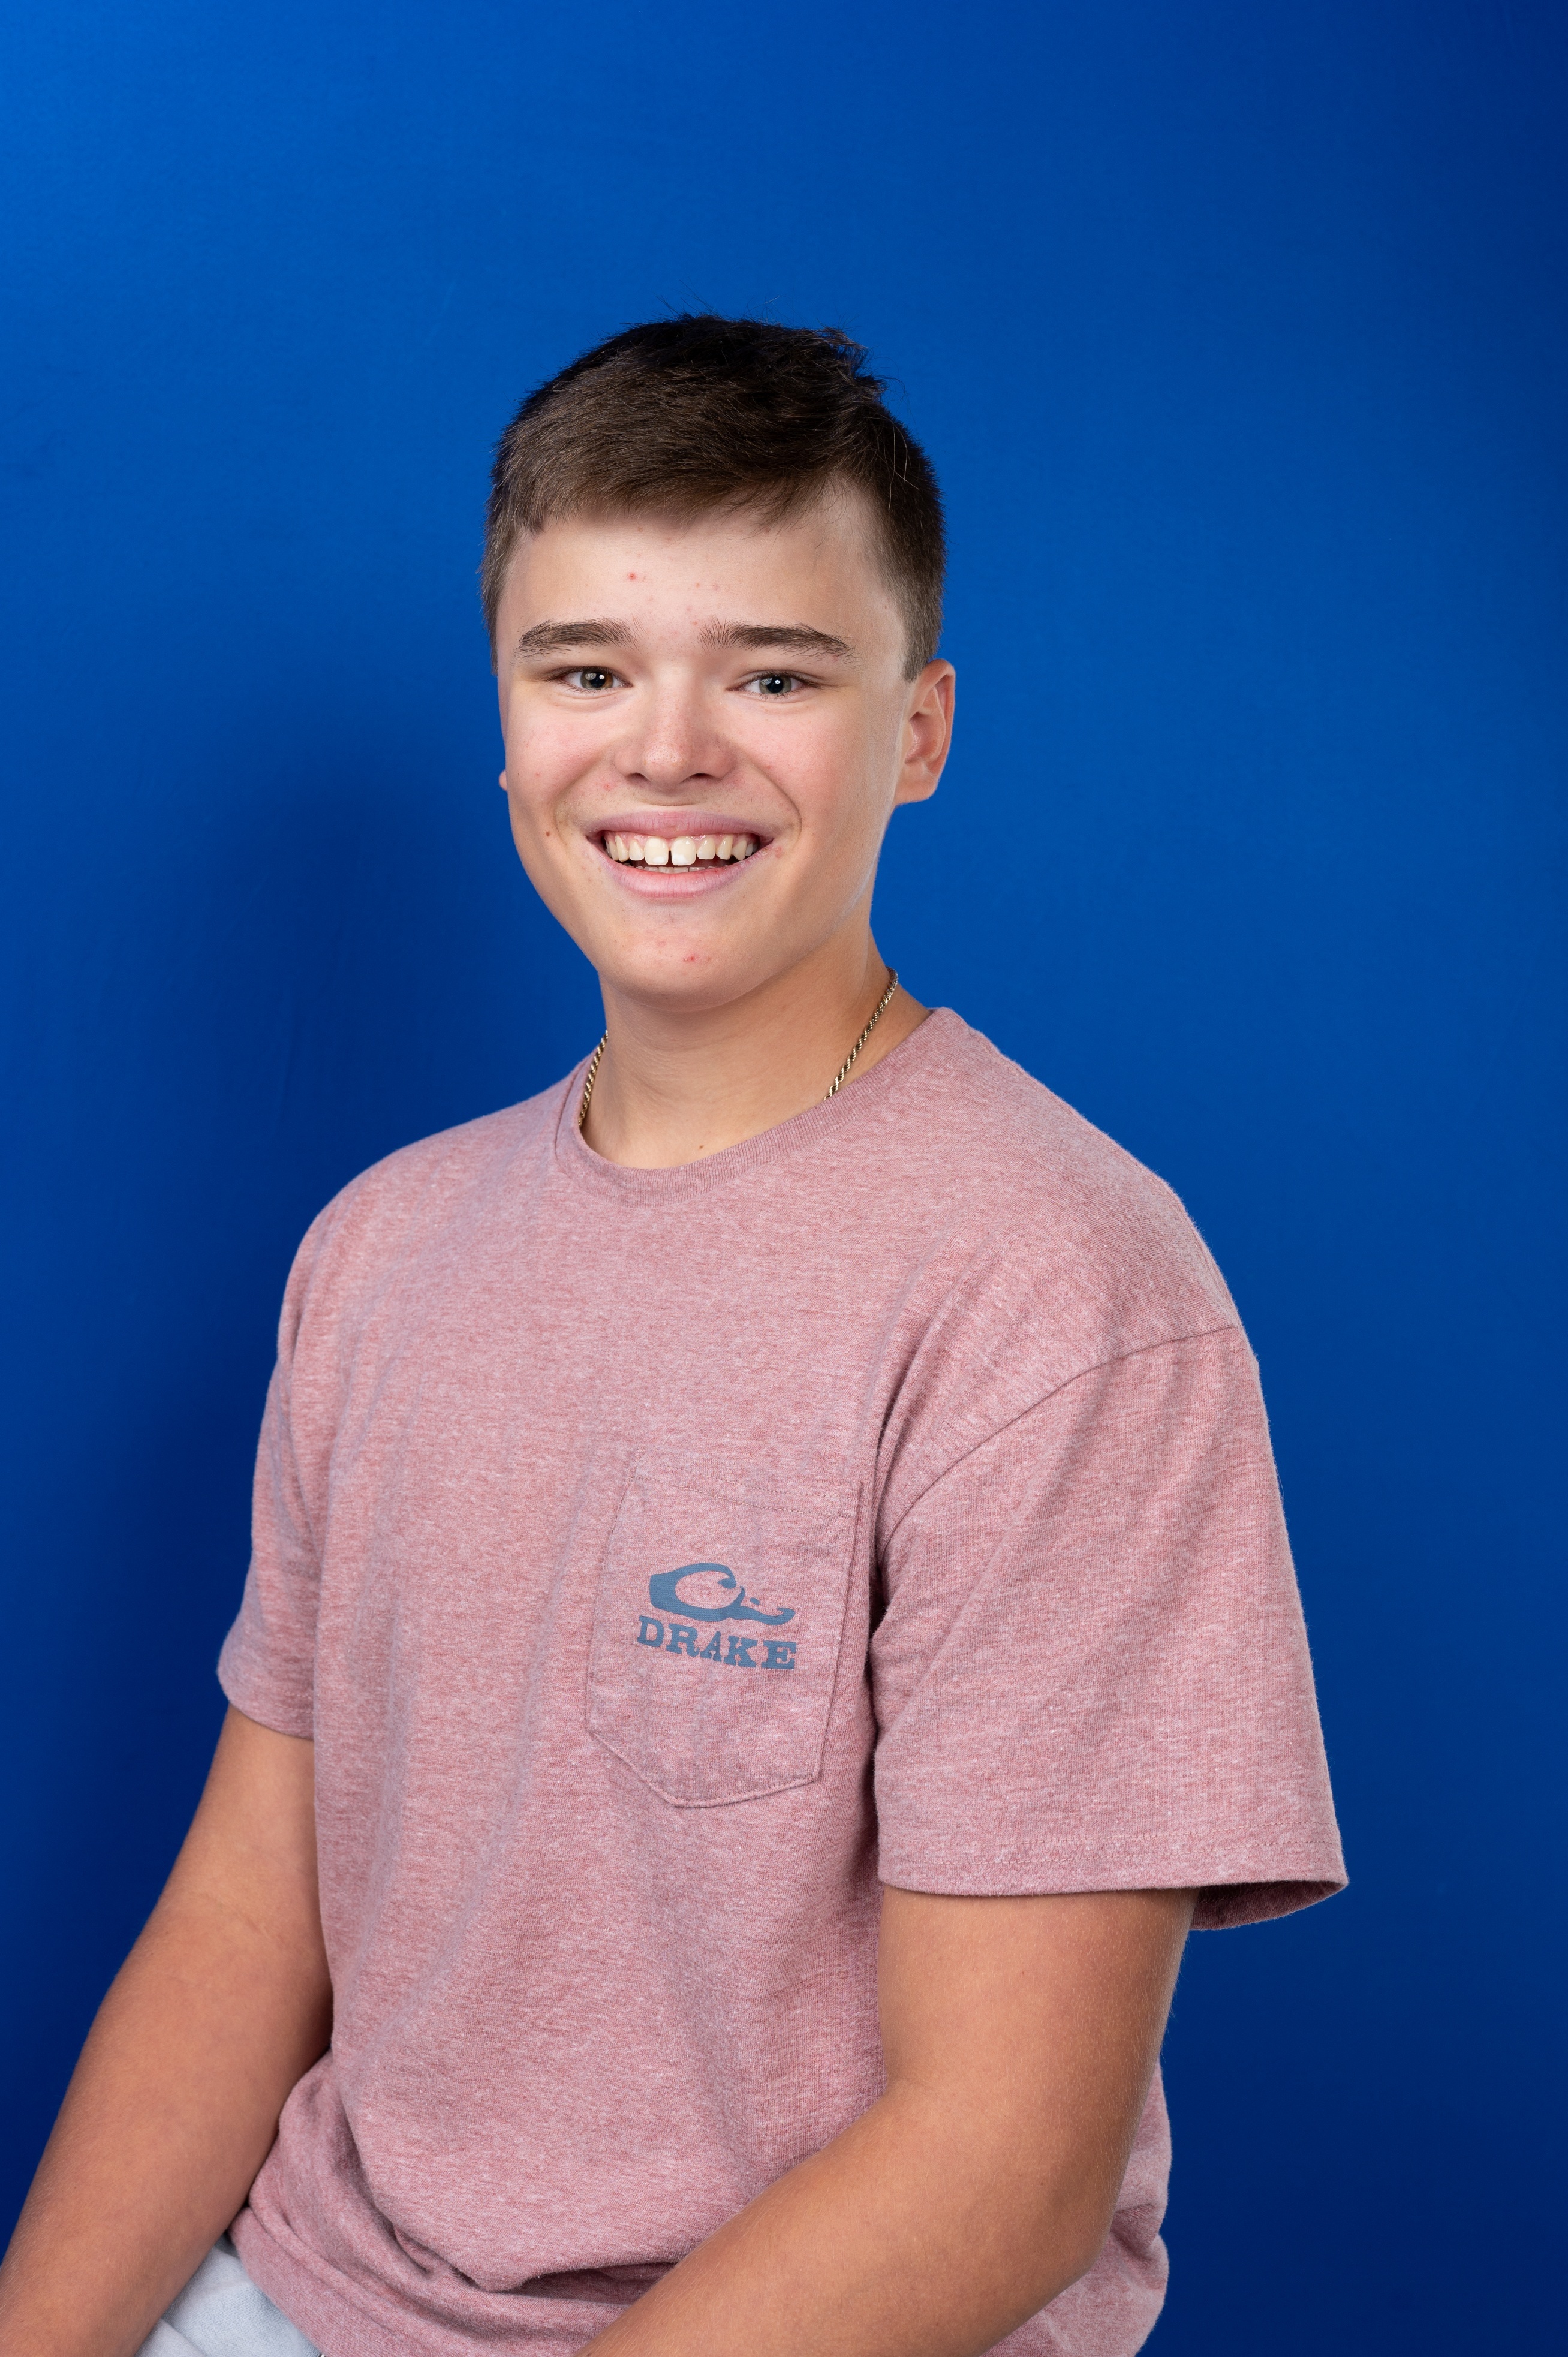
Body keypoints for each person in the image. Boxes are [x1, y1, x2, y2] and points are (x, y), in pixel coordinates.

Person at [0, 316, 1344, 2357]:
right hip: (309, 2291)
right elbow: (246, 1923)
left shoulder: (1065, 1292)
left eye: (774, 674)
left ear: (921, 729)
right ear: (508, 718)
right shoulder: (381, 1250)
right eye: (588, 671)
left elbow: (1003, 2162)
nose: (669, 751)